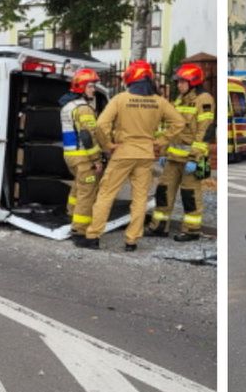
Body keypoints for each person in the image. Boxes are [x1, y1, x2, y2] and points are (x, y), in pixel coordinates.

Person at [77, 61, 184, 251]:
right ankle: (132, 240)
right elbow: (179, 123)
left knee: (106, 194)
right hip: (145, 155)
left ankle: (93, 236)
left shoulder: (120, 99)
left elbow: (101, 125)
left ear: (131, 78)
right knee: (140, 198)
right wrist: (160, 141)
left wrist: (108, 145)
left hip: (123, 153)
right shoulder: (159, 101)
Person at [149, 63, 216, 241]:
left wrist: (195, 158)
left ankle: (191, 230)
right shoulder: (179, 99)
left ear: (193, 82)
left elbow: (206, 131)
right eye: (178, 82)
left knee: (190, 195)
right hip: (173, 158)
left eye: (182, 82)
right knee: (163, 191)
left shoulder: (205, 99)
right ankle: (159, 227)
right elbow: (171, 128)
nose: (179, 85)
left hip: (192, 160)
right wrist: (163, 152)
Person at [59, 68, 102, 239]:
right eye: (90, 86)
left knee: (78, 186)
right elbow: (88, 136)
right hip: (83, 156)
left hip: (71, 155)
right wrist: (97, 159)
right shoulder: (83, 109)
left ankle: (70, 214)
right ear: (81, 88)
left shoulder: (68, 106)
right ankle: (80, 229)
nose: (93, 89)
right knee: (87, 192)